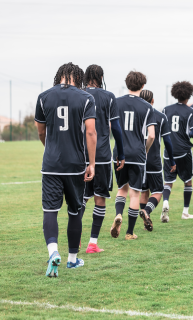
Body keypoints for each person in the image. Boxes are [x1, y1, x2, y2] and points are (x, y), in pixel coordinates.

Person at [35, 62, 97, 276]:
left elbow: (41, 132)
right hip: (75, 165)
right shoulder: (86, 98)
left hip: (51, 165)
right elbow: (90, 133)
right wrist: (91, 163)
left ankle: (53, 251)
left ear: (59, 76)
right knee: (74, 212)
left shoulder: (43, 97)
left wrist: (50, 150)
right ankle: (72, 259)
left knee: (50, 211)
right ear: (77, 78)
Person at [81, 64, 125, 253]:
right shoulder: (108, 97)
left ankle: (75, 239)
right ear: (101, 77)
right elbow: (116, 128)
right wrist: (120, 153)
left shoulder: (78, 94)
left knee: (80, 199)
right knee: (100, 199)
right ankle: (92, 243)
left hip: (79, 156)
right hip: (102, 157)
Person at [110, 71, 156, 240]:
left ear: (126, 83)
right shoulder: (147, 107)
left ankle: (118, 215)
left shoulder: (115, 102)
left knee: (122, 189)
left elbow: (110, 127)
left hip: (119, 153)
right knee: (135, 194)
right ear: (143, 86)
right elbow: (151, 135)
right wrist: (145, 150)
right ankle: (129, 232)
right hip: (137, 154)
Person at [138, 90, 176, 229]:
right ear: (152, 101)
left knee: (143, 191)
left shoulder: (136, 114)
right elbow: (168, 142)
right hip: (153, 160)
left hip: (138, 159)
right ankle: (146, 211)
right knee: (158, 191)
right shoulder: (160, 116)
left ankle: (145, 219)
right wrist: (172, 161)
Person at [162, 81, 193, 220]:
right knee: (188, 181)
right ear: (189, 94)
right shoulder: (191, 111)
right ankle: (185, 212)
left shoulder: (166, 109)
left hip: (168, 151)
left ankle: (165, 202)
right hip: (184, 151)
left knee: (168, 181)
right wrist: (189, 133)